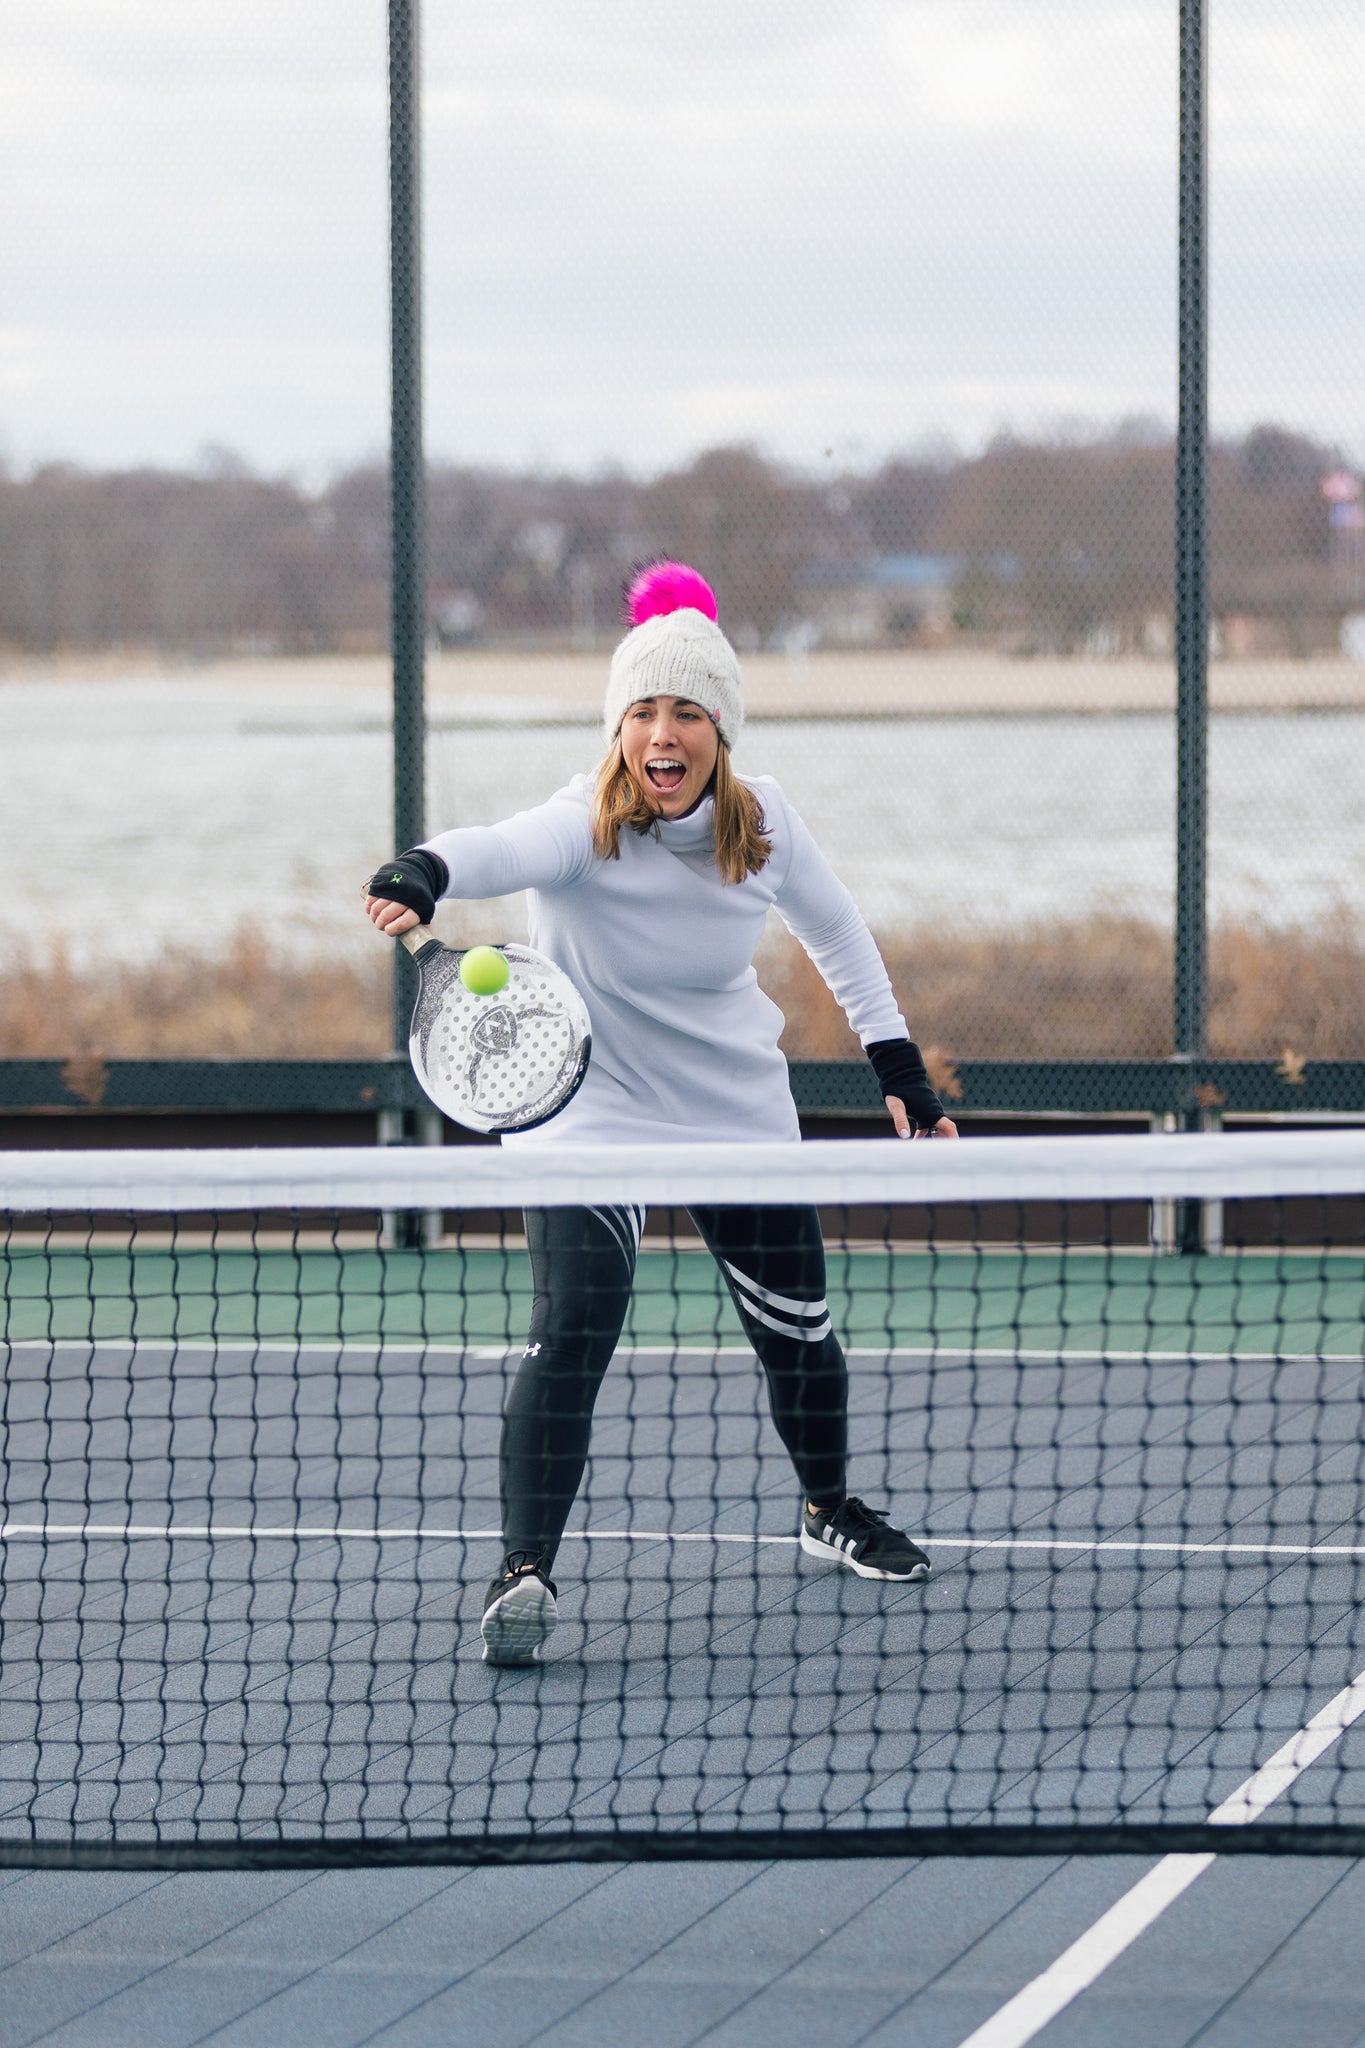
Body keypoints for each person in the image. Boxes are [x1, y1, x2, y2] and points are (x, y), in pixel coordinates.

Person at [365, 562, 958, 1666]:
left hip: (731, 1101)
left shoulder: (766, 820)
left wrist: (899, 1064)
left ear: (720, 729)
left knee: (800, 1336)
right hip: (585, 1103)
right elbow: (494, 847)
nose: (662, 732)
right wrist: (427, 869)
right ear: (619, 728)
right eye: (642, 711)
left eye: (686, 709)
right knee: (576, 1321)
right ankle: (524, 1568)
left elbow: (840, 934)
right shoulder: (581, 823)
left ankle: (828, 1507)